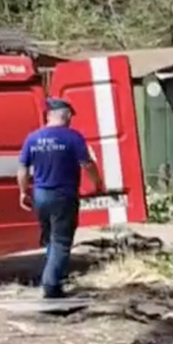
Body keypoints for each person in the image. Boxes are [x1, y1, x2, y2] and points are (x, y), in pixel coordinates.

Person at [17, 98, 103, 299]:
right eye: (71, 115)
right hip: (63, 196)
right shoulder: (73, 138)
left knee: (50, 239)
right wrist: (97, 183)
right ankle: (51, 285)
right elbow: (87, 164)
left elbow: (22, 169)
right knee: (61, 242)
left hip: (40, 195)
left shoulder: (33, 138)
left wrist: (23, 192)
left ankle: (55, 276)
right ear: (66, 116)